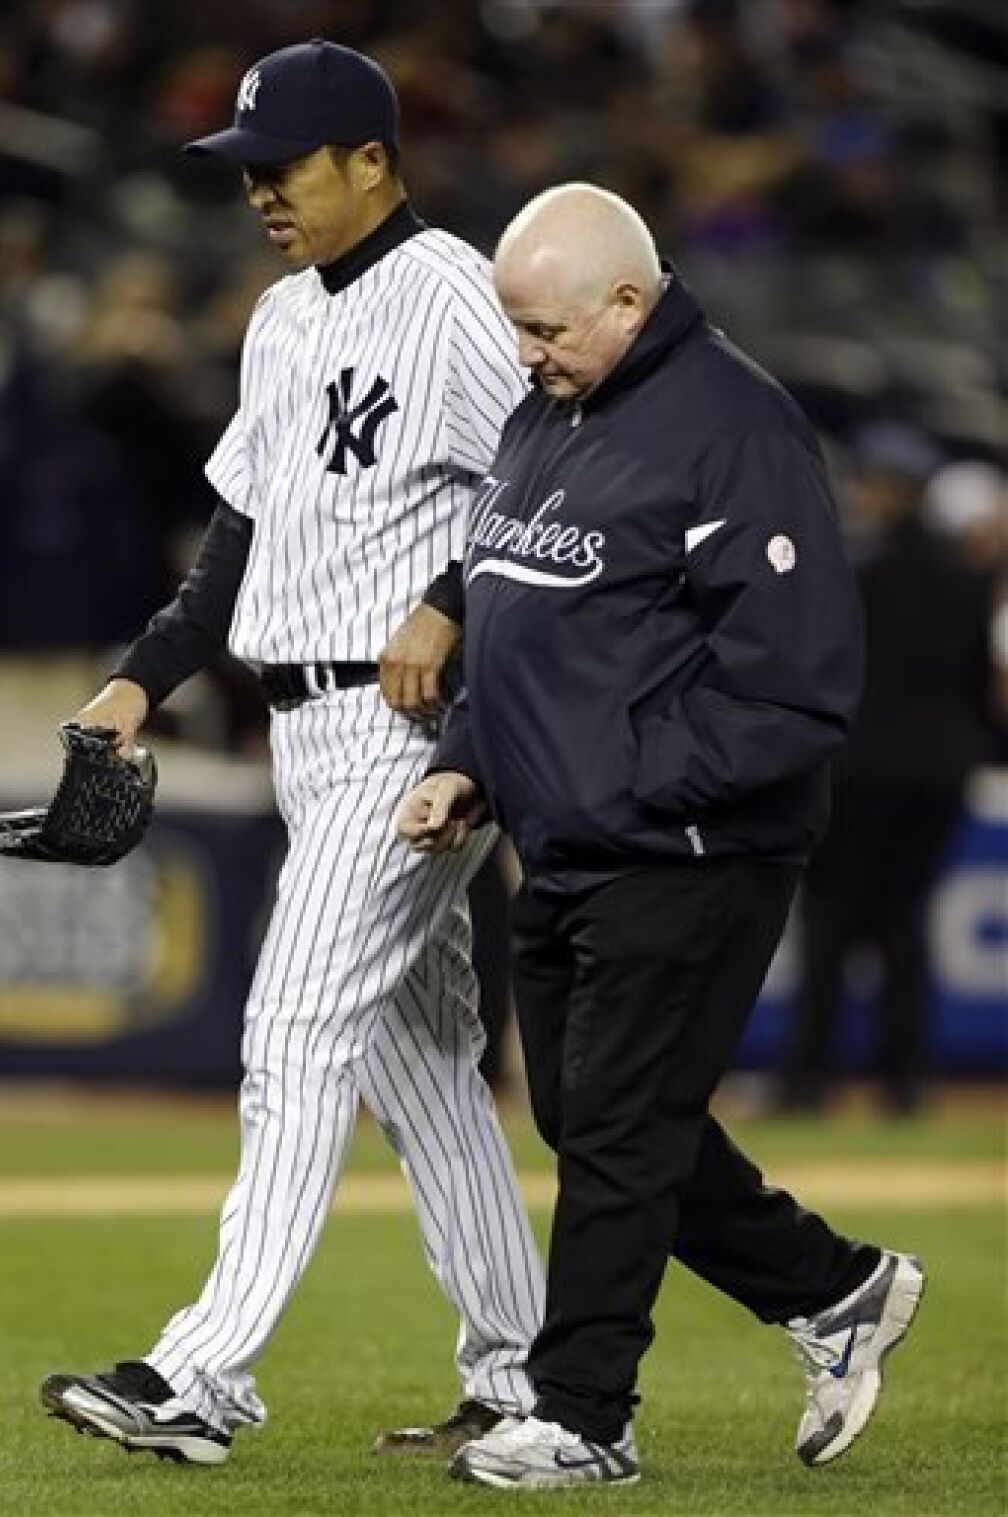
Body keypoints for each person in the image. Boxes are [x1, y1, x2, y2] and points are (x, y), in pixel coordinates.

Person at [39, 39, 544, 1467]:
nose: (261, 190)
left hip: (408, 736)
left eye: (287, 165)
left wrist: (449, 606)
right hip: (299, 721)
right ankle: (520, 1374)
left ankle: (202, 1376)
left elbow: (550, 483)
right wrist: (140, 683)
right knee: (426, 1061)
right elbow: (237, 542)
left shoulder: (452, 289)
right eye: (246, 169)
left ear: (373, 159)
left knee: (296, 1029)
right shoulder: (277, 318)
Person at [398, 184, 924, 1491]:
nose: (526, 353)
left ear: (628, 300)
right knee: (587, 1114)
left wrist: (625, 781)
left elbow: (798, 687)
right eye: (516, 329)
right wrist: (470, 760)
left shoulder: (737, 430)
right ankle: (836, 1288)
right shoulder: (556, 410)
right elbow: (515, 607)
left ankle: (583, 1413)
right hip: (568, 834)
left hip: (688, 848)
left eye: (545, 327)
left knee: (622, 1125)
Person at [781, 424, 997, 1115]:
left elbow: (818, 672)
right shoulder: (968, 578)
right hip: (939, 770)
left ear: (878, 489)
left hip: (856, 768)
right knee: (905, 925)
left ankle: (807, 1079)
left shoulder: (852, 568)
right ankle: (904, 1081)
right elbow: (977, 687)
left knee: (832, 922)